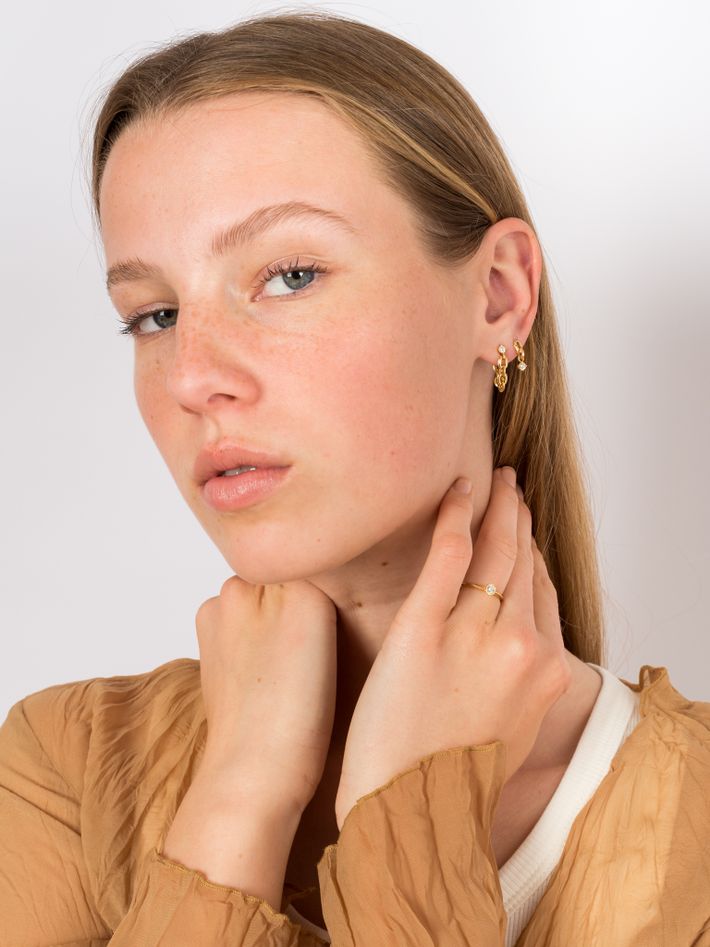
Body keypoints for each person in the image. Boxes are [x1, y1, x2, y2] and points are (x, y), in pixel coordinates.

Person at [1, 10, 709, 947]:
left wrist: (410, 807)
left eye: (291, 275)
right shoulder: (67, 768)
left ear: (500, 294)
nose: (191, 376)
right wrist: (241, 792)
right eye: (156, 314)